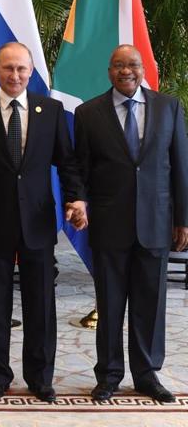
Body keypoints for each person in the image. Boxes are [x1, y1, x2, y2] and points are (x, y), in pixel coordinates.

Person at [0, 42, 87, 403]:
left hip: (38, 222)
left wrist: (76, 198)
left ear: (32, 73)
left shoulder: (52, 111)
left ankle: (40, 377)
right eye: (8, 68)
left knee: (41, 304)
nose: (15, 76)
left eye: (22, 69)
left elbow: (68, 163)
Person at [75, 44, 188, 403]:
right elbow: (80, 169)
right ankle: (108, 375)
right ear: (109, 71)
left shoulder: (169, 106)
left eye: (133, 65)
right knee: (109, 304)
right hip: (109, 224)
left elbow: (181, 167)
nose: (126, 71)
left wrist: (183, 219)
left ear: (144, 69)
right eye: (119, 65)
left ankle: (146, 374)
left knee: (150, 303)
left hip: (156, 223)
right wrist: (78, 202)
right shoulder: (88, 113)